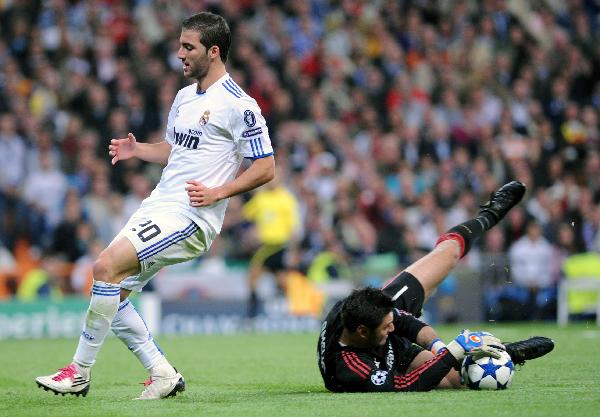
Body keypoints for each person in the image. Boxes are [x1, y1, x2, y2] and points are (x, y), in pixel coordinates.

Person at [36, 11, 275, 400]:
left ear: (213, 52)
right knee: (110, 290)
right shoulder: (183, 97)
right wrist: (138, 150)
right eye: (180, 45)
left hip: (192, 215)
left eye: (188, 47)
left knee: (104, 267)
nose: (179, 54)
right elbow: (173, 150)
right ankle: (163, 374)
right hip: (160, 204)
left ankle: (78, 373)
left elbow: (266, 166)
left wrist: (220, 193)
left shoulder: (239, 105)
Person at [317, 181, 555, 392]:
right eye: (387, 326)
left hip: (378, 332)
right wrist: (453, 353)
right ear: (361, 332)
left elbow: (407, 323)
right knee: (459, 380)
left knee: (449, 253)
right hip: (384, 358)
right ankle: (502, 353)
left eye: (391, 322)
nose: (393, 327)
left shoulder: (371, 312)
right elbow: (406, 383)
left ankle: (489, 214)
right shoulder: (347, 367)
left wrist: (441, 348)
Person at [242, 169, 300, 317]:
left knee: (257, 277)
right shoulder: (261, 197)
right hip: (265, 245)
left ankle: (254, 314)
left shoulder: (286, 198)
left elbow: (293, 227)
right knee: (273, 279)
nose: (272, 181)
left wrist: (294, 251)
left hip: (278, 245)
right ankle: (291, 311)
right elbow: (247, 214)